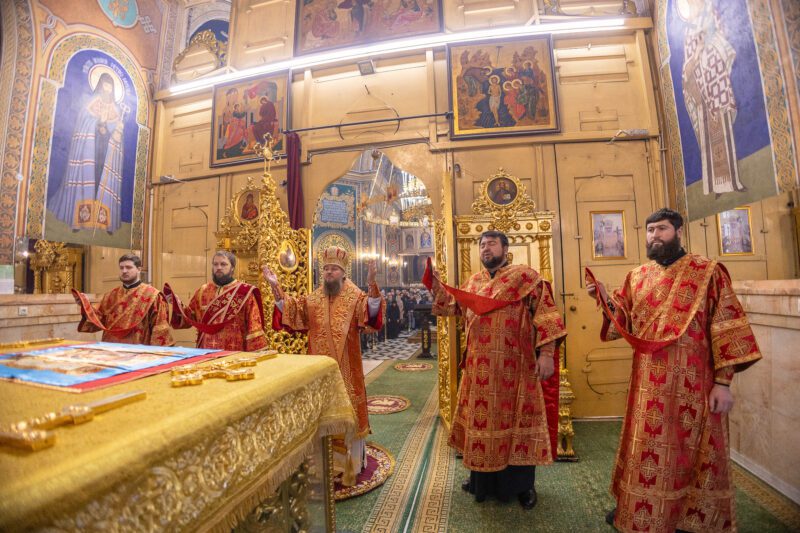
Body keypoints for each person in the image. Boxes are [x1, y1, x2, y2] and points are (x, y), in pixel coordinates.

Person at [586, 208, 762, 533]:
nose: (655, 235)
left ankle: (688, 520)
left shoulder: (707, 272)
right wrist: (605, 299)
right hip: (647, 385)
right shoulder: (637, 276)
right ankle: (638, 507)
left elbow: (727, 327)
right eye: (650, 230)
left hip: (693, 385)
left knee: (690, 454)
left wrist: (723, 383)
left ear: (679, 232)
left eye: (662, 229)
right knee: (646, 450)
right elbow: (621, 324)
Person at [426, 230, 566, 509]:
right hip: (479, 371)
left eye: (491, 244)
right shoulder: (473, 282)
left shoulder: (525, 277)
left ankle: (522, 487)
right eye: (482, 245)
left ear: (505, 248)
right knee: (481, 423)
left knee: (517, 425)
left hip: (516, 369)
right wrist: (436, 285)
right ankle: (481, 482)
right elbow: (451, 309)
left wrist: (547, 354)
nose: (485, 248)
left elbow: (548, 315)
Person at [263, 246, 384, 486]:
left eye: (334, 269)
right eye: (326, 268)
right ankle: (323, 463)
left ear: (343, 273)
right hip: (319, 373)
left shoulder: (355, 296)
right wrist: (276, 287)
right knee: (322, 415)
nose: (329, 272)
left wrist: (372, 283)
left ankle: (350, 464)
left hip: (347, 370)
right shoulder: (313, 298)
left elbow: (371, 314)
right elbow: (293, 312)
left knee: (348, 413)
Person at [51, 72, 125, 233]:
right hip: (89, 151)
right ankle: (79, 221)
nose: (107, 89)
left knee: (102, 182)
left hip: (105, 154)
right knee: (87, 180)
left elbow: (117, 134)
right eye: (105, 85)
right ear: (100, 85)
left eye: (110, 86)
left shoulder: (117, 109)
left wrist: (116, 130)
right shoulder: (91, 102)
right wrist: (98, 123)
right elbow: (84, 122)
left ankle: (104, 222)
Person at [164, 251, 267, 351]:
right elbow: (190, 318)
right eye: (215, 264)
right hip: (205, 351)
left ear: (232, 268)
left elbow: (254, 325)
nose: (219, 267)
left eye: (223, 264)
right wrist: (177, 304)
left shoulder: (244, 293)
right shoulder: (202, 291)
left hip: (234, 351)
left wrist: (254, 355)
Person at [73, 254, 173, 346]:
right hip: (111, 349)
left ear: (139, 269)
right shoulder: (110, 295)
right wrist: (85, 305)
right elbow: (99, 319)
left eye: (128, 267)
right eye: (121, 268)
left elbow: (160, 327)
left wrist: (157, 353)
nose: (124, 271)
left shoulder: (153, 295)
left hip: (138, 350)